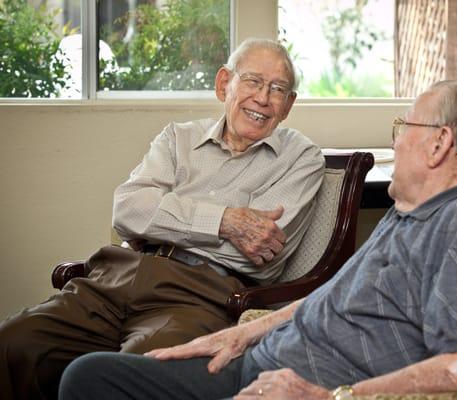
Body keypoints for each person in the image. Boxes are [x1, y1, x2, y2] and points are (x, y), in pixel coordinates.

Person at [58, 79, 457, 400]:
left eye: (404, 127)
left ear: (440, 143)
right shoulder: (411, 214)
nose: (397, 141)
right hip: (258, 364)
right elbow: (332, 296)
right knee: (89, 375)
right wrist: (240, 335)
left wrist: (329, 396)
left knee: (92, 382)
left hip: (295, 387)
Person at [0, 38, 325, 400]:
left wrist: (164, 215)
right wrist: (226, 221)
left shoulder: (301, 159)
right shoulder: (177, 139)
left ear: (289, 104)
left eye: (277, 89)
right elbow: (127, 211)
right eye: (252, 81)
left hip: (196, 295)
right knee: (13, 343)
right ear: (224, 84)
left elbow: (263, 255)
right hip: (114, 277)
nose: (262, 99)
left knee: (133, 376)